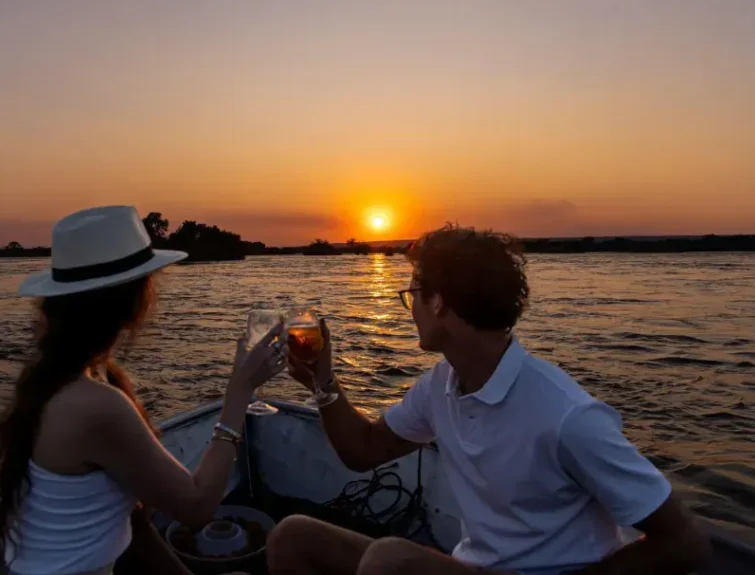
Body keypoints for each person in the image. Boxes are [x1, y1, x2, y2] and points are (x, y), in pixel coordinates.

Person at [268, 225, 712, 575]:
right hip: (471, 565)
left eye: (413, 295)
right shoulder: (440, 385)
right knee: (292, 538)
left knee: (389, 563)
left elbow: (685, 542)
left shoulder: (567, 416)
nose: (411, 309)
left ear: (439, 302)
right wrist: (323, 383)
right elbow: (362, 452)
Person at [0, 205, 285, 575]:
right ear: (136, 303)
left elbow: (137, 524)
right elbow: (196, 508)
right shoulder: (95, 405)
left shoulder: (55, 383)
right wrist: (238, 394)